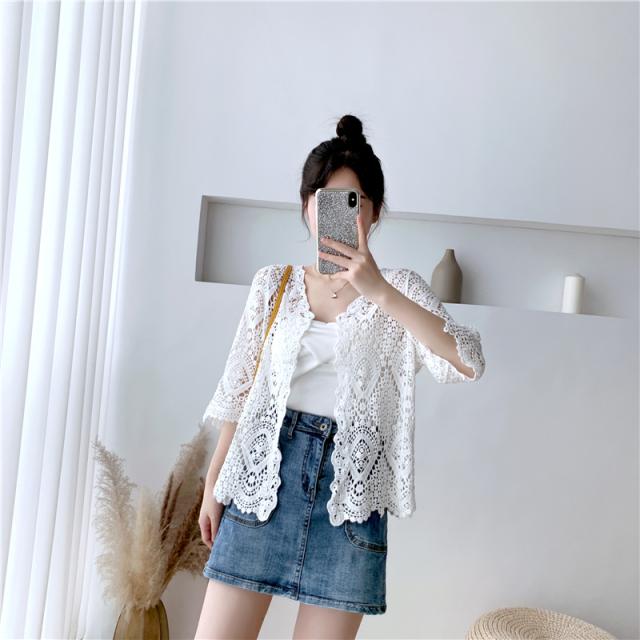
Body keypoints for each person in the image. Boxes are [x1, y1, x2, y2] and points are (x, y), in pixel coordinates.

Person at [195, 114, 486, 639]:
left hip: (350, 497)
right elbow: (239, 394)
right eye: (325, 199)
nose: (338, 212)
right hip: (260, 481)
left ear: (374, 212)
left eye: (354, 201)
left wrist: (380, 292)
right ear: (307, 207)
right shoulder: (273, 285)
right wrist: (214, 483)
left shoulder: (399, 288)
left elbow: (467, 362)